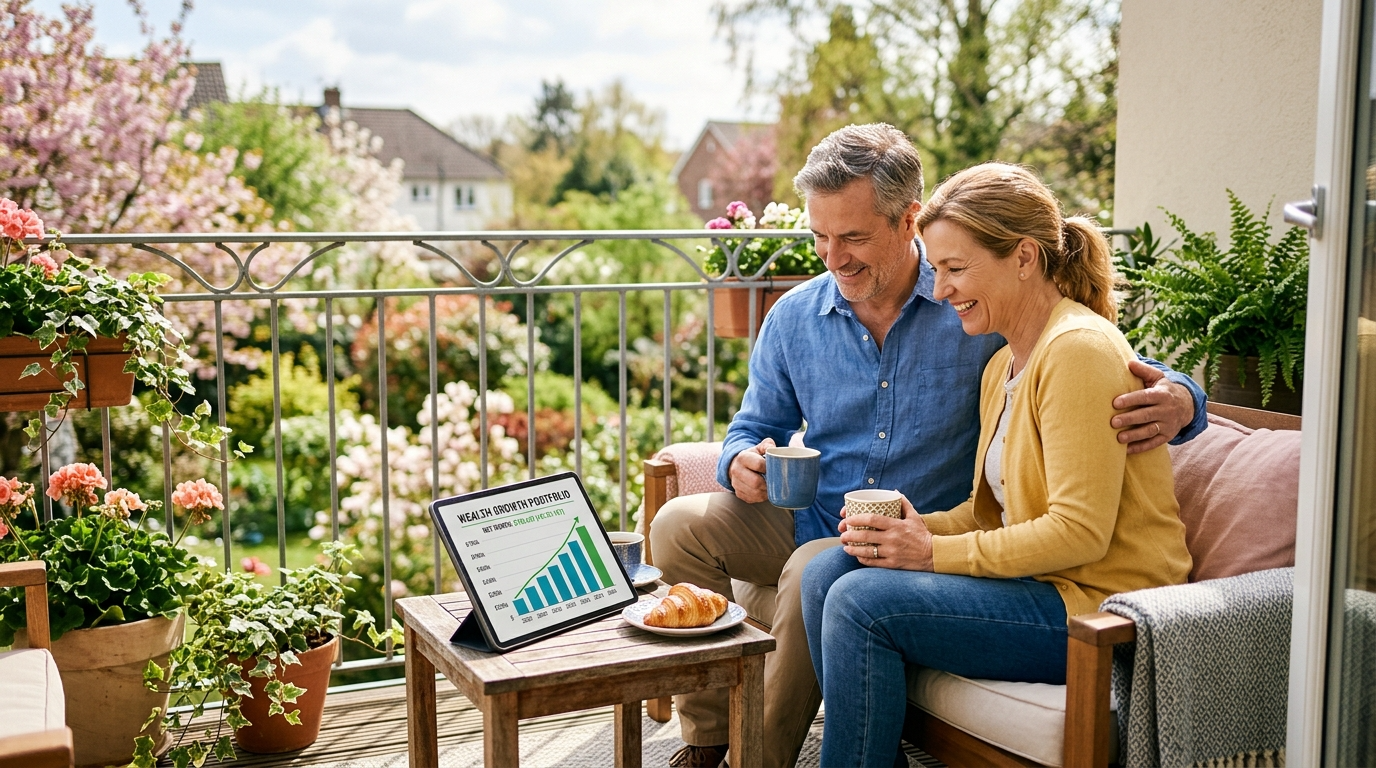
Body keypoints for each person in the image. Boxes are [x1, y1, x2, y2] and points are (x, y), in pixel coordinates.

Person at [652, 125, 1206, 768]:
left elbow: (1117, 373)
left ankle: (761, 760)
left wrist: (1188, 398)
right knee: (693, 528)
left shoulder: (998, 323)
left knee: (830, 578)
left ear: (906, 220)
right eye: (820, 237)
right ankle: (713, 737)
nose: (833, 256)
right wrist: (738, 461)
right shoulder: (816, 320)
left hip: (1075, 589)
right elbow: (754, 426)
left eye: (853, 237)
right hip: (825, 514)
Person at [799, 162, 1194, 767]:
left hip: (1104, 610)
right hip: (1041, 588)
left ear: (1025, 257)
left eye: (956, 269)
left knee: (861, 602)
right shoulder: (1002, 365)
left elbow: (1079, 533)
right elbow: (992, 514)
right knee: (828, 572)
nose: (939, 290)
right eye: (938, 270)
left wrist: (928, 554)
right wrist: (915, 526)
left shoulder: (1078, 350)